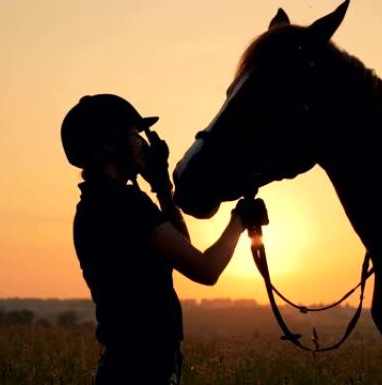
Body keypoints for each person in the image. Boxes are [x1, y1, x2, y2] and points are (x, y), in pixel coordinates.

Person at [60, 94, 266, 384]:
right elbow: (205, 269)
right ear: (109, 145)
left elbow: (181, 244)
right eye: (134, 135)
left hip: (125, 363)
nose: (144, 144)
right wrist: (238, 222)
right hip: (144, 366)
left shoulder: (94, 205)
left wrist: (161, 190)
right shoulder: (125, 205)